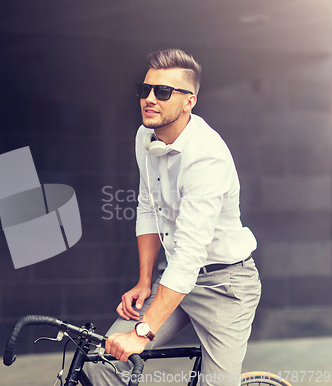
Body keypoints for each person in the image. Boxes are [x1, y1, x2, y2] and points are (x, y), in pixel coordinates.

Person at [86, 49, 261, 385]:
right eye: (145, 90)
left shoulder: (205, 157)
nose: (149, 99)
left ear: (188, 102)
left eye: (162, 92)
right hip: (175, 278)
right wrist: (144, 281)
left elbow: (191, 253)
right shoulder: (145, 136)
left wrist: (142, 331)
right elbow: (149, 207)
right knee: (102, 363)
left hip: (225, 285)